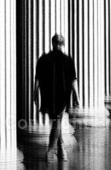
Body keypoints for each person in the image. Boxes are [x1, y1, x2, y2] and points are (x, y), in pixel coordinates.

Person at [33, 33, 80, 161]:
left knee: (55, 120)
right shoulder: (68, 60)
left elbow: (37, 79)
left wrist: (35, 94)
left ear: (52, 43)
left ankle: (58, 149)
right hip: (62, 94)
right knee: (57, 120)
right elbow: (73, 80)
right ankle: (54, 149)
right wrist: (76, 96)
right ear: (62, 44)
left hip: (48, 94)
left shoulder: (43, 59)